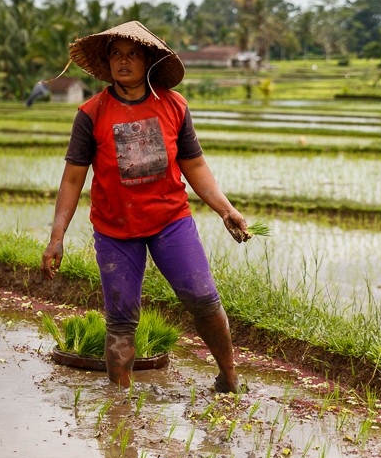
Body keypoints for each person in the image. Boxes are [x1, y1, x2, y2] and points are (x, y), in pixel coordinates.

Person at [41, 21, 250, 392]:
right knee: (120, 320)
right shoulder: (91, 114)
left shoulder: (173, 105)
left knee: (202, 299)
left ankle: (229, 375)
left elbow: (195, 165)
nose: (124, 62)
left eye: (133, 54)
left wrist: (225, 209)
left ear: (149, 60)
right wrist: (57, 237)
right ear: (107, 63)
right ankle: (120, 403)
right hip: (115, 230)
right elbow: (73, 178)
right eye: (116, 55)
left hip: (171, 221)